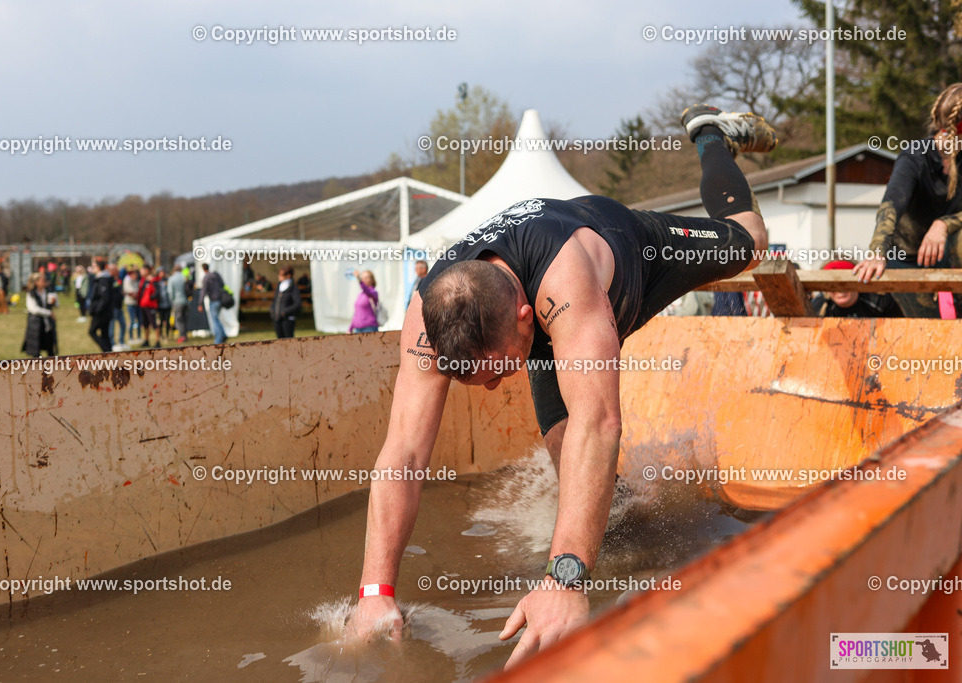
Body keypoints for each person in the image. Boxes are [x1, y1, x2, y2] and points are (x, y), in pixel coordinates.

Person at [346, 104, 775, 668]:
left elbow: (601, 424)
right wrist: (375, 593)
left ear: (528, 317)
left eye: (500, 369)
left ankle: (712, 136)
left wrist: (564, 580)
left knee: (748, 241)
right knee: (578, 469)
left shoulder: (565, 286)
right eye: (478, 378)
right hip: (541, 312)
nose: (498, 388)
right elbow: (401, 452)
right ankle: (623, 527)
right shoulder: (428, 314)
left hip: (630, 250)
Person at [855, 83, 962, 317]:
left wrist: (943, 224)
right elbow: (891, 204)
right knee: (926, 328)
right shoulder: (916, 156)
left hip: (949, 253)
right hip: (907, 256)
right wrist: (877, 251)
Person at [812, 260, 903, 317]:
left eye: (846, 283)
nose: (839, 289)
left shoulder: (880, 302)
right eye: (832, 285)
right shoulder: (817, 307)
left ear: (858, 283)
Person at [21, 272, 58, 357]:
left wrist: (54, 301)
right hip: (36, 325)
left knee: (50, 350)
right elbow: (34, 309)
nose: (45, 282)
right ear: (36, 282)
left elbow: (55, 304)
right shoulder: (31, 293)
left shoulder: (47, 292)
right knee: (36, 352)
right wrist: (49, 313)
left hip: (47, 325)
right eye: (43, 280)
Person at [87, 259, 115, 352]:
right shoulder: (101, 278)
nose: (92, 268)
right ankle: (109, 354)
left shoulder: (103, 279)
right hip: (104, 311)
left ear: (98, 267)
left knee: (92, 331)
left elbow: (104, 298)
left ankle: (106, 351)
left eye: (94, 266)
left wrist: (97, 309)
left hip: (102, 312)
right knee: (104, 334)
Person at [197, 263, 227, 345]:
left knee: (214, 320)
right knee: (217, 319)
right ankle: (223, 335)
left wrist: (200, 303)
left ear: (203, 269)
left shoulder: (206, 279)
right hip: (220, 300)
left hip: (213, 301)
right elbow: (222, 285)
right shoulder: (216, 275)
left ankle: (218, 339)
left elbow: (203, 292)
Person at [269, 267, 302, 339]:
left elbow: (297, 304)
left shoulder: (293, 288)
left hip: (287, 319)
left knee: (288, 339)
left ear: (288, 275)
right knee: (279, 340)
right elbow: (275, 300)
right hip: (277, 318)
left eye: (282, 275)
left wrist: (284, 312)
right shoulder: (279, 286)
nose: (279, 276)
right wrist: (272, 308)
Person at [136, 265, 162, 348]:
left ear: (147, 270)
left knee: (154, 324)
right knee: (145, 324)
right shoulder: (143, 281)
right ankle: (146, 340)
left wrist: (150, 298)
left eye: (142, 270)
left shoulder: (153, 281)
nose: (141, 272)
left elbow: (157, 293)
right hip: (143, 305)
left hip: (150, 306)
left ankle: (157, 341)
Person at [108, 263, 129, 351]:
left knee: (123, 325)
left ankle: (121, 342)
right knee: (112, 327)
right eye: (115, 269)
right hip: (113, 308)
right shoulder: (109, 280)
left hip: (119, 307)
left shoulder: (118, 279)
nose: (117, 271)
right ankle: (112, 344)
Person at [167, 264, 189, 343]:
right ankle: (185, 335)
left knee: (178, 320)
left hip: (177, 302)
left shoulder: (172, 279)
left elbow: (170, 292)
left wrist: (172, 302)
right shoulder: (184, 277)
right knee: (185, 319)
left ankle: (182, 336)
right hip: (186, 301)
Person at [122, 267, 141, 341]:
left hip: (137, 304)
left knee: (139, 321)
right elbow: (130, 292)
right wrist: (136, 294)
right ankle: (131, 337)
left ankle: (139, 337)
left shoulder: (137, 280)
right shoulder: (127, 280)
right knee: (132, 320)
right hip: (130, 304)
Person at [155, 267, 173, 340]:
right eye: (160, 272)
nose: (162, 274)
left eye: (163, 272)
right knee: (161, 321)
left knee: (167, 320)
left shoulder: (168, 280)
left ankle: (167, 335)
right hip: (160, 305)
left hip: (168, 304)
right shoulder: (156, 281)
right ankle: (161, 335)